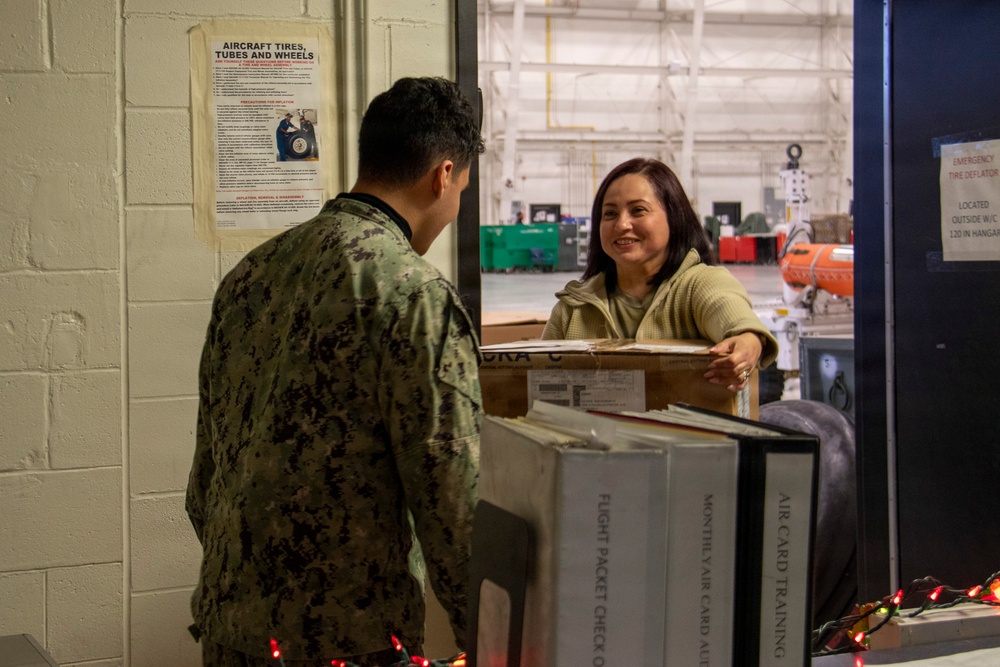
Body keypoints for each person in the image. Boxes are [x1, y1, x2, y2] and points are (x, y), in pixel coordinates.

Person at [186, 77, 485, 667]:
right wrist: (493, 633)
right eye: (461, 191)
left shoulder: (251, 274)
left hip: (231, 631)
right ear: (442, 176)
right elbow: (451, 501)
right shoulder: (412, 291)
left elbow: (206, 480)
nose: (453, 211)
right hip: (348, 641)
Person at [542, 157, 778, 391]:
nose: (622, 224)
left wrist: (748, 342)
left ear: (674, 218)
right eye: (610, 214)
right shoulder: (573, 309)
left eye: (638, 210)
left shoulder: (700, 285)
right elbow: (536, 380)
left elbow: (732, 315)